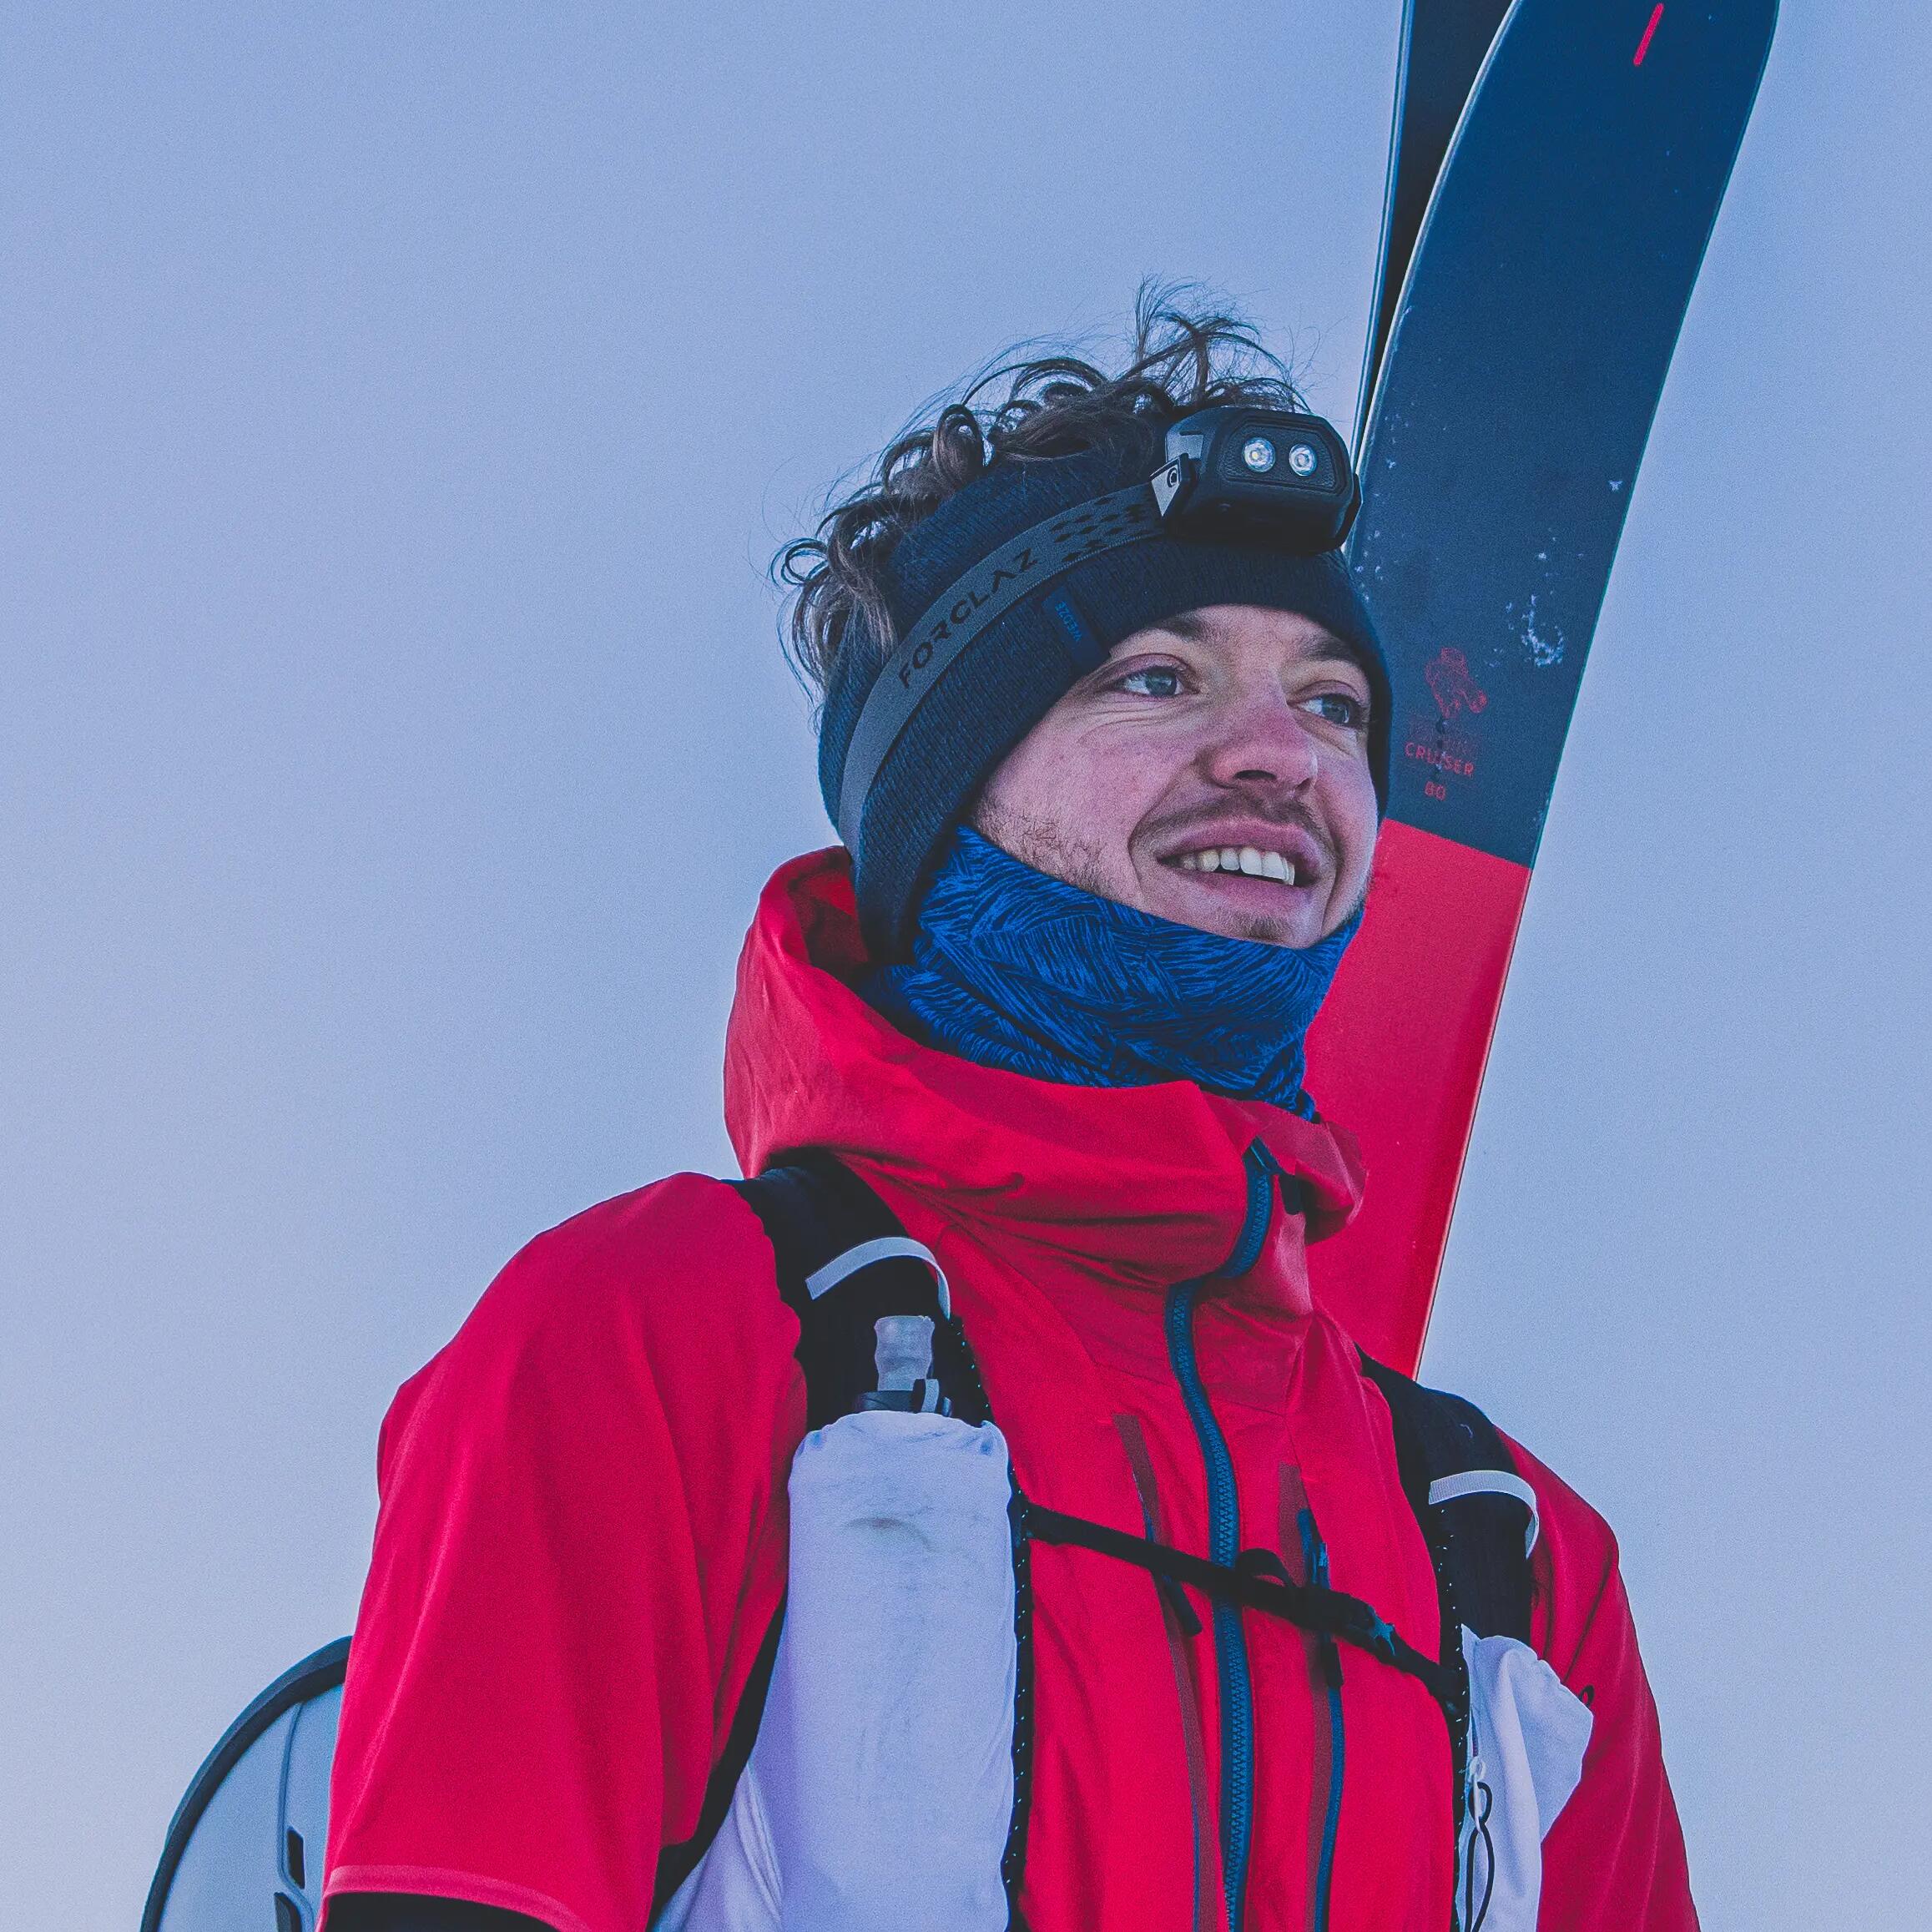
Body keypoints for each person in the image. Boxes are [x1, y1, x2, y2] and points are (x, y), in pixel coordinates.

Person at [320, 300, 1698, 1932]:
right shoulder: (663, 1328)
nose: (1277, 755)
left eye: (1333, 704)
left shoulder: (1519, 1567)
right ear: (944, 786)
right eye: (1160, 676)